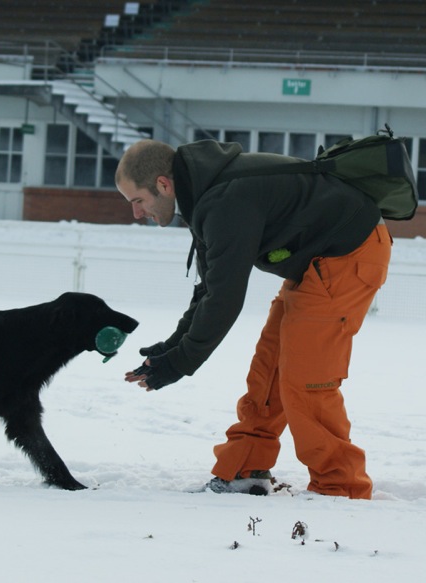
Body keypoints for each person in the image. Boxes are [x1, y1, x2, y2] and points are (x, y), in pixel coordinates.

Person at [115, 138, 391, 499]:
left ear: (163, 185)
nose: (137, 214)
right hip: (316, 264)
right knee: (270, 370)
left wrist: (180, 363)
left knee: (306, 381)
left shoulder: (224, 199)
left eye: (138, 201)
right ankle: (244, 471)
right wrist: (172, 348)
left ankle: (341, 489)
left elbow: (225, 299)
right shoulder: (204, 191)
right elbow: (210, 289)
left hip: (348, 255)